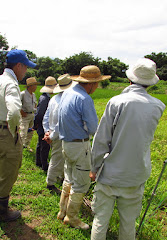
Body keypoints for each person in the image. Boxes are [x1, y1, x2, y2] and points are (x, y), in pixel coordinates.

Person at [90, 58, 166, 240]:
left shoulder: (117, 102)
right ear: (150, 83)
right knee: (128, 222)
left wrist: (94, 168)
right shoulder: (158, 106)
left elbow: (102, 140)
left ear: (130, 79)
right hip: (136, 174)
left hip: (110, 173)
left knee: (101, 219)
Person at [0, 49, 36, 222]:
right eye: (25, 67)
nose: (26, 71)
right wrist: (13, 131)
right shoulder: (11, 84)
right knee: (8, 172)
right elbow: (13, 112)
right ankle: (2, 213)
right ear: (18, 66)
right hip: (6, 133)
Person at [57, 65, 111, 230]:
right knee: (80, 184)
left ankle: (62, 212)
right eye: (97, 83)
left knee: (69, 178)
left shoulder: (67, 93)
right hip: (79, 145)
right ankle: (71, 218)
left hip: (65, 143)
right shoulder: (85, 99)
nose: (97, 87)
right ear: (92, 83)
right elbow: (94, 127)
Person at [43, 74, 77, 195]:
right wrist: (51, 134)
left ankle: (61, 178)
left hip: (53, 132)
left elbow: (46, 117)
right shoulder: (66, 100)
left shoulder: (54, 99)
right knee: (57, 158)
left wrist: (47, 131)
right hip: (59, 134)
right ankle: (50, 182)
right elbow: (60, 121)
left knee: (60, 158)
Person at [33, 76, 57, 172]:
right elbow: (40, 114)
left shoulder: (45, 97)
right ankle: (44, 165)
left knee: (40, 145)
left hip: (42, 125)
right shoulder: (45, 99)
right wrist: (36, 124)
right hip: (43, 126)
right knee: (44, 147)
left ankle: (38, 162)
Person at [20, 77, 39, 152]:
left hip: (32, 115)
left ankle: (26, 145)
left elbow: (35, 104)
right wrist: (21, 111)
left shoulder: (33, 95)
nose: (36, 87)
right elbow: (17, 104)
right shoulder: (23, 94)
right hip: (25, 116)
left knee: (30, 131)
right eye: (35, 85)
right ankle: (19, 147)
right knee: (23, 131)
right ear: (30, 86)